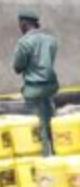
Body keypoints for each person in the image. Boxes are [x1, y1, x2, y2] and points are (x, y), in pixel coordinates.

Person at [12, 10, 59, 156]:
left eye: (20, 24)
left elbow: (17, 67)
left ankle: (46, 158)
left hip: (33, 90)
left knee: (39, 127)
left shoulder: (24, 43)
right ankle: (57, 153)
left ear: (24, 23)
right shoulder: (51, 40)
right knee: (51, 122)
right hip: (50, 88)